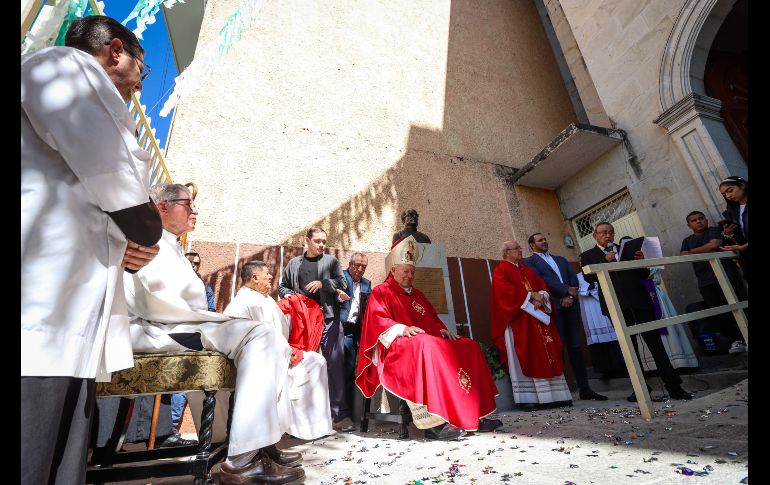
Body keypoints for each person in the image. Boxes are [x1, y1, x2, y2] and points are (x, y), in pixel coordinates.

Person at [22, 15, 163, 484]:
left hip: (68, 317)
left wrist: (133, 240)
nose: (140, 89)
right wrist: (148, 231)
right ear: (117, 52)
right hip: (43, 315)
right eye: (142, 72)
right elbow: (117, 181)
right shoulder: (68, 67)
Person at [125, 183, 305, 485]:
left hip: (182, 324)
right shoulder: (148, 240)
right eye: (187, 203)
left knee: (269, 340)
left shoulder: (172, 244)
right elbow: (152, 302)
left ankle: (249, 444)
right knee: (258, 337)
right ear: (162, 207)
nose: (195, 210)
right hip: (158, 329)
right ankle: (243, 458)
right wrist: (215, 321)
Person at [356, 236, 501, 440]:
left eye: (412, 272)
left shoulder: (418, 295)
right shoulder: (381, 292)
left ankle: (474, 414)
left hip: (424, 342)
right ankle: (433, 423)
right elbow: (377, 320)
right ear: (393, 270)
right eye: (405, 271)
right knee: (426, 345)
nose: (409, 275)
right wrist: (401, 328)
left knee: (468, 346)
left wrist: (443, 330)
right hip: (396, 347)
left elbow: (432, 319)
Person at [579, 223, 692, 402]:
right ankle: (640, 389)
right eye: (603, 233)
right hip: (616, 306)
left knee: (655, 344)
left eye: (610, 232)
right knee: (629, 348)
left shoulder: (625, 250)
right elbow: (589, 277)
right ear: (595, 236)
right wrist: (605, 262)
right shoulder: (587, 255)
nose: (607, 235)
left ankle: (674, 387)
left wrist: (640, 261)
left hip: (639, 301)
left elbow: (643, 275)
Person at [224, 260, 333, 439]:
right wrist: (281, 354)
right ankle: (291, 427)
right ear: (254, 277)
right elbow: (235, 335)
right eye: (266, 274)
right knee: (313, 363)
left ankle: (311, 426)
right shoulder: (242, 301)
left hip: (281, 353)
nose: (270, 277)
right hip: (262, 361)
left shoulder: (266, 299)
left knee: (317, 361)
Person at [279, 227, 351, 431]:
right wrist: (293, 298)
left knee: (334, 365)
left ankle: (339, 415)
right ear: (307, 241)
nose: (321, 245)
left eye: (324, 242)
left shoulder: (331, 262)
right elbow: (283, 287)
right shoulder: (294, 264)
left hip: (328, 319)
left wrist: (323, 283)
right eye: (317, 241)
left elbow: (343, 283)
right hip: (303, 322)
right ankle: (302, 419)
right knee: (303, 366)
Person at [523, 233, 607, 401]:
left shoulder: (561, 259)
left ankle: (585, 389)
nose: (544, 241)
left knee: (575, 347)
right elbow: (542, 280)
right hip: (553, 307)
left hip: (571, 306)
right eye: (540, 240)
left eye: (545, 239)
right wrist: (564, 292)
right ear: (532, 245)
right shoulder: (529, 262)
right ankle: (563, 392)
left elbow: (573, 279)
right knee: (557, 347)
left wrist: (570, 296)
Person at [491, 240, 572, 410]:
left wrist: (542, 296)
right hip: (520, 320)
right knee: (527, 353)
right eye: (517, 248)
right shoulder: (501, 270)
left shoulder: (526, 269)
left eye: (520, 248)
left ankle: (558, 395)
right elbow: (504, 293)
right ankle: (529, 398)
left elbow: (542, 286)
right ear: (507, 252)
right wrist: (530, 297)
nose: (521, 250)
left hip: (539, 318)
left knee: (549, 352)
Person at [680, 210, 747, 354]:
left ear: (706, 220)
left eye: (701, 218)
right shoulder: (687, 240)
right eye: (694, 220)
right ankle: (736, 341)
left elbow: (714, 245)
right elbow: (683, 255)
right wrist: (702, 250)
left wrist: (692, 252)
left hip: (727, 276)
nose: (698, 221)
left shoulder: (715, 231)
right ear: (689, 225)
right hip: (705, 282)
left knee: (739, 306)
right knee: (721, 314)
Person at [339, 252, 372, 422]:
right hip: (339, 327)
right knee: (340, 369)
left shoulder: (367, 284)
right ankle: (339, 414)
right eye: (357, 265)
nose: (360, 269)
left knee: (350, 369)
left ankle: (348, 413)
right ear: (350, 264)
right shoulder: (341, 277)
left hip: (354, 330)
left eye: (364, 267)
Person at [717, 176, 749, 281]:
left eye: (730, 190)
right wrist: (728, 233)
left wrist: (742, 247)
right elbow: (738, 237)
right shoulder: (732, 211)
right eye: (724, 194)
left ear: (742, 186)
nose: (728, 196)